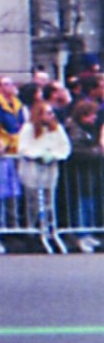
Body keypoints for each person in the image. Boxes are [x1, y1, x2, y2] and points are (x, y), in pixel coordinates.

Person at [16, 101, 71, 253]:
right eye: (48, 112)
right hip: (33, 171)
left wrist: (54, 155)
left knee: (49, 201)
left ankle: (50, 228)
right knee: (33, 202)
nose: (51, 115)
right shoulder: (28, 129)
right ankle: (32, 230)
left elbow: (65, 147)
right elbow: (23, 148)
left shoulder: (57, 129)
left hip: (50, 170)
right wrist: (38, 155)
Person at [62, 100, 102, 253]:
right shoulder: (74, 129)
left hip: (89, 176)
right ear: (83, 115)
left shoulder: (89, 129)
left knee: (89, 204)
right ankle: (80, 233)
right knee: (81, 205)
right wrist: (97, 152)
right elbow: (75, 151)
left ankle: (88, 231)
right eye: (92, 115)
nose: (94, 118)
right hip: (78, 175)